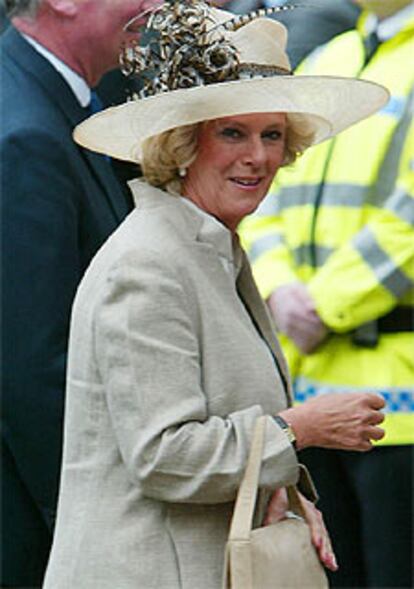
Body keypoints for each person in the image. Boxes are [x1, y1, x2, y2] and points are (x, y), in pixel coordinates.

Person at [41, 2, 389, 587]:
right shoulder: (149, 263)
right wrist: (300, 429)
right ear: (182, 144)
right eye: (233, 132)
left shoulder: (210, 248)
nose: (258, 156)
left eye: (272, 135)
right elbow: (166, 456)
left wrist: (283, 492)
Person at [240, 0, 414, 587]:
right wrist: (279, 288)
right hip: (313, 395)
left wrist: (321, 305)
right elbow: (267, 185)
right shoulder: (326, 59)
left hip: (401, 403)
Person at [0, 0, 159, 586]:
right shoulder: (24, 135)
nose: (154, 6)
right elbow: (34, 366)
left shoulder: (64, 101)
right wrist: (100, 522)